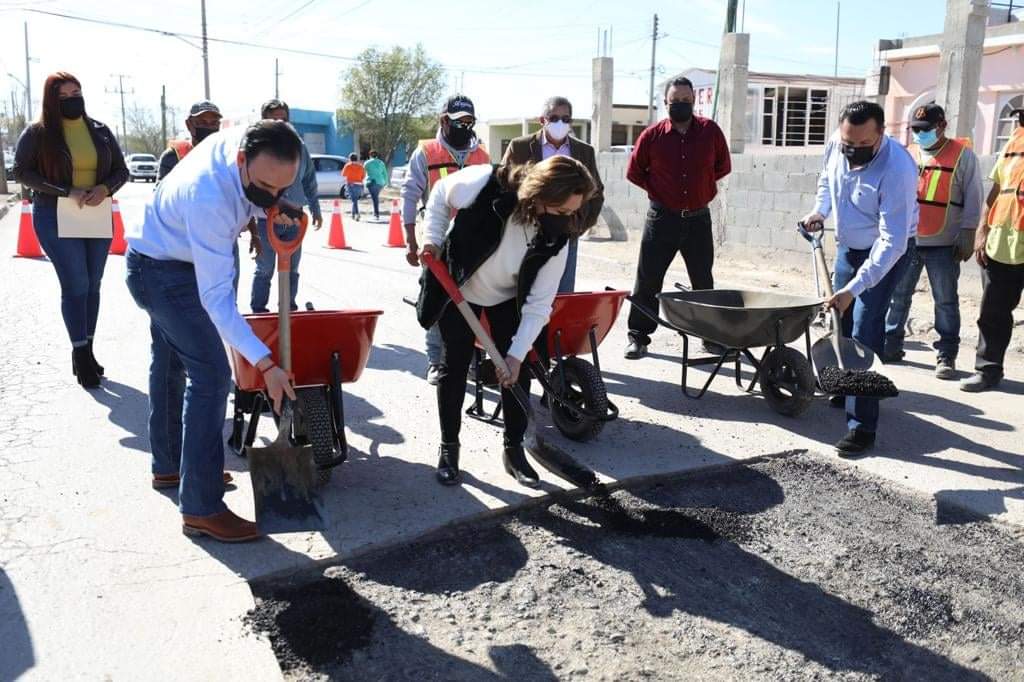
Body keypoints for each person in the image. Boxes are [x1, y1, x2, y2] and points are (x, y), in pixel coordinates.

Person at [125, 120, 302, 543]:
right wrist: (265, 365)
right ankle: (201, 508)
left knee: (171, 364)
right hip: (161, 273)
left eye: (282, 187)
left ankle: (172, 466)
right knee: (211, 376)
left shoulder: (249, 144)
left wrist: (271, 207)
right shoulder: (210, 199)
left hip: (167, 252)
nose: (273, 196)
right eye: (264, 187)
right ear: (241, 160)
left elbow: (262, 194)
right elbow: (218, 302)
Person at [416, 156, 596, 488]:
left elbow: (539, 305)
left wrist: (514, 356)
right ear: (540, 194)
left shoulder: (557, 238)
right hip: (459, 284)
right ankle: (449, 448)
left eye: (573, 211)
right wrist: (433, 239)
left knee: (517, 372)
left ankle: (514, 450)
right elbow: (440, 193)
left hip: (507, 297)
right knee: (453, 367)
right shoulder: (485, 184)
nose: (566, 219)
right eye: (561, 211)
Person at [800, 100, 918, 456]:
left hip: (886, 253)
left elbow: (892, 241)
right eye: (848, 142)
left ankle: (862, 428)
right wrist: (820, 212)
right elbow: (827, 180)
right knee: (842, 321)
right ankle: (847, 386)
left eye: (863, 144)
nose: (853, 149)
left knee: (865, 330)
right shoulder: (837, 144)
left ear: (881, 134)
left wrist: (853, 288)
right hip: (848, 247)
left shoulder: (897, 168)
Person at [12, 71, 128, 389]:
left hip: (96, 214)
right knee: (75, 283)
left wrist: (105, 188)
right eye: (63, 96)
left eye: (76, 93)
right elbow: (20, 171)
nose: (72, 100)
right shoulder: (37, 133)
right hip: (54, 214)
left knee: (93, 284)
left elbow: (122, 170)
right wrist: (66, 190)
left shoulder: (100, 131)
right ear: (51, 101)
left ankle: (87, 348)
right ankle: (80, 352)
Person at [624, 76, 732, 360]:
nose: (681, 105)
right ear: (666, 102)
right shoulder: (652, 136)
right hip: (662, 219)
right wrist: (660, 191)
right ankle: (638, 337)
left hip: (698, 220)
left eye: (686, 100)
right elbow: (634, 172)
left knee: (703, 281)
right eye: (675, 101)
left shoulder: (710, 132)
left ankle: (709, 337)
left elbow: (723, 166)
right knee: (648, 280)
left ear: (693, 101)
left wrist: (701, 187)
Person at [884, 104, 983, 379]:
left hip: (944, 244)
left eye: (925, 130)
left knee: (945, 301)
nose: (919, 135)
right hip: (909, 240)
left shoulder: (963, 156)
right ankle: (890, 345)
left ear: (942, 126)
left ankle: (946, 355)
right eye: (915, 130)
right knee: (898, 296)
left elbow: (974, 196)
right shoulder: (908, 153)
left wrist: (968, 231)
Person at [402, 94, 490, 385]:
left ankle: (473, 360)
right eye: (459, 121)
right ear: (444, 121)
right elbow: (410, 195)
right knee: (438, 300)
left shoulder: (482, 155)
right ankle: (436, 361)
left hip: (473, 239)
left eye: (470, 122)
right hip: (436, 239)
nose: (465, 127)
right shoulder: (427, 152)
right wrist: (410, 240)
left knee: (476, 298)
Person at [501, 96, 604, 292]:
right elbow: (504, 185)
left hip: (566, 234)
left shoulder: (584, 151)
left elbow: (596, 193)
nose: (560, 123)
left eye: (566, 119)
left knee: (562, 293)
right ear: (542, 120)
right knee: (520, 291)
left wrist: (578, 227)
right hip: (526, 233)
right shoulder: (520, 147)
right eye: (554, 118)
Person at [961, 106, 1024, 393]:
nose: (1020, 122)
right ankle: (987, 370)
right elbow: (997, 190)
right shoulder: (1013, 142)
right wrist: (982, 230)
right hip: (1002, 244)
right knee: (993, 314)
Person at [249, 98, 322, 313]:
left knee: (291, 268)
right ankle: (259, 311)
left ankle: (288, 311)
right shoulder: (257, 151)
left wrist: (315, 209)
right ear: (264, 121)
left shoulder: (299, 147)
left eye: (283, 119)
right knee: (265, 268)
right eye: (274, 120)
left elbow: (309, 179)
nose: (280, 124)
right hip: (267, 220)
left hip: (295, 220)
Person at [157, 100, 221, 181]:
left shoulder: (226, 156)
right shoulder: (173, 157)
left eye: (214, 123)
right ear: (189, 124)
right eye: (202, 122)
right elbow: (162, 188)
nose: (208, 127)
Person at [363, 150, 388, 220]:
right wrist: (386, 182)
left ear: (370, 155)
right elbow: (385, 173)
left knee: (375, 198)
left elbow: (363, 172)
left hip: (371, 182)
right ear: (377, 156)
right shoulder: (381, 163)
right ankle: (376, 213)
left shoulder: (367, 163)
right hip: (380, 183)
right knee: (375, 197)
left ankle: (376, 214)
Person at [341, 153, 365, 221]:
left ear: (350, 159)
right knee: (355, 200)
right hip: (359, 184)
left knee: (354, 200)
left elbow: (343, 174)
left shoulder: (348, 165)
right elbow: (363, 175)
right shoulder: (360, 166)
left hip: (350, 184)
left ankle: (357, 214)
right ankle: (353, 214)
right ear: (357, 159)